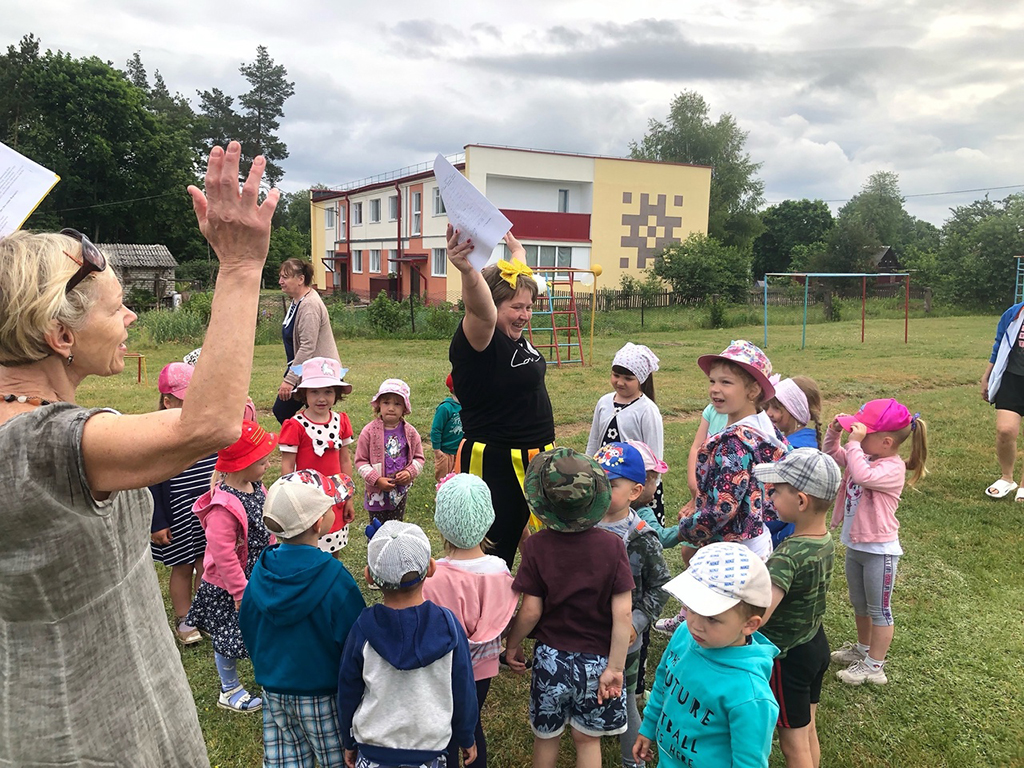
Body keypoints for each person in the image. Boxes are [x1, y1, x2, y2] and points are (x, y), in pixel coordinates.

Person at [0, 141, 277, 766]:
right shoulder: (45, 443)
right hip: (94, 735)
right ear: (61, 335)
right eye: (115, 305)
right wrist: (238, 268)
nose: (129, 317)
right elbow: (209, 424)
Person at [504, 447, 634, 768]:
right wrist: (615, 668)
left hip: (550, 661)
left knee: (546, 738)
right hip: (598, 663)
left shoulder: (535, 547)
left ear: (542, 501)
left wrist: (513, 644)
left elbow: (531, 611)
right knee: (587, 740)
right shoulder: (613, 546)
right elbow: (623, 615)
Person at [239, 469, 365, 768]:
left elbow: (248, 624)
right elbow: (356, 643)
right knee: (337, 761)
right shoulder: (336, 579)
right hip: (324, 695)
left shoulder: (259, 572)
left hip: (274, 692)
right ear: (318, 523)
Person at [447, 225, 556, 568]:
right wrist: (468, 270)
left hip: (534, 456)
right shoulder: (481, 337)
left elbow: (517, 283)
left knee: (544, 545)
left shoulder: (514, 334)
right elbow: (481, 307)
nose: (524, 315)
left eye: (529, 307)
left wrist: (518, 255)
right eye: (516, 307)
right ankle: (483, 612)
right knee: (494, 551)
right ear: (495, 305)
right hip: (496, 462)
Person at [338, 520, 478, 768]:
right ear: (432, 568)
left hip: (373, 753)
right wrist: (467, 736)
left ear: (370, 576)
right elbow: (463, 689)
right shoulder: (449, 626)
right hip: (432, 752)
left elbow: (348, 690)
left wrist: (349, 741)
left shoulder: (362, 629)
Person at [633, 542, 780, 768]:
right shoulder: (684, 634)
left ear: (750, 624)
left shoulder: (750, 696)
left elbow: (749, 763)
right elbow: (663, 681)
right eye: (691, 608)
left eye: (711, 618)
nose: (695, 625)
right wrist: (648, 726)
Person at [824, 399, 928, 686]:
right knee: (859, 602)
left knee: (879, 609)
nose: (854, 438)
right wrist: (835, 432)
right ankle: (863, 647)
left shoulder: (891, 467)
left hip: (879, 551)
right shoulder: (865, 455)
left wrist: (854, 445)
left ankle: (875, 666)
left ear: (884, 442)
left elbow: (861, 476)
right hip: (857, 546)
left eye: (862, 434)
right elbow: (832, 453)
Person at [422, 473, 519, 768]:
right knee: (472, 726)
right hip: (482, 668)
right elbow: (508, 615)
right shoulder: (501, 572)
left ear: (441, 522)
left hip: (442, 670)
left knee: (443, 729)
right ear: (488, 519)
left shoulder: (433, 577)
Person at [752, 449, 841, 768]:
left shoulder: (787, 556)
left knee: (793, 745)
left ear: (801, 501)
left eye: (776, 490)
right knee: (807, 729)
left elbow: (761, 615)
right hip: (815, 643)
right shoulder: (825, 540)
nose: (770, 495)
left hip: (787, 657)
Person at [187, 420, 278, 712]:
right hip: (229, 586)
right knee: (228, 637)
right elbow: (223, 554)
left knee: (260, 631)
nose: (266, 464)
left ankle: (268, 679)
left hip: (256, 576)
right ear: (242, 463)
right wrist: (241, 592)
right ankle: (229, 689)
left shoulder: (256, 487)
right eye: (261, 460)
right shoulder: (222, 506)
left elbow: (265, 527)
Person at [593, 442, 670, 768]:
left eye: (610, 486)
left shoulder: (641, 536)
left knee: (624, 698)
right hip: (587, 630)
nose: (600, 491)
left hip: (625, 639)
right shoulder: (584, 524)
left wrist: (636, 623)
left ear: (636, 490)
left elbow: (661, 586)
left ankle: (632, 761)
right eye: (596, 483)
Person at [677, 340, 787, 562]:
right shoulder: (764, 427)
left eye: (726, 382)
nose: (715, 389)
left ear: (753, 390)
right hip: (756, 536)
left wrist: (688, 528)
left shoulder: (733, 443)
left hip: (731, 550)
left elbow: (723, 507)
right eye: (712, 381)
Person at [149, 362, 217, 645]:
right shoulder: (159, 436)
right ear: (167, 401)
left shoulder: (205, 430)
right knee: (182, 565)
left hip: (206, 511)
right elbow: (152, 483)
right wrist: (158, 521)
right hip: (177, 515)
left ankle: (201, 614)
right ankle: (184, 618)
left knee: (205, 562)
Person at [279, 356, 355, 553]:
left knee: (333, 546)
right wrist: (289, 498)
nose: (321, 398)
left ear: (336, 394)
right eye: (314, 392)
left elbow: (345, 460)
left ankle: (330, 580)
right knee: (308, 547)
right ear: (304, 394)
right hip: (306, 497)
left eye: (328, 392)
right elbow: (287, 466)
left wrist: (348, 498)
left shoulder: (341, 421)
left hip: (334, 497)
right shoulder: (295, 426)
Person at [587, 343, 665, 522]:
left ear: (641, 379)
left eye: (628, 378)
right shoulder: (604, 402)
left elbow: (655, 455)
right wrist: (589, 470)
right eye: (616, 375)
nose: (620, 382)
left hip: (635, 485)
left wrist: (649, 487)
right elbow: (594, 442)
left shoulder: (647, 410)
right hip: (606, 481)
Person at [275, 257, 340, 425]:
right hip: (304, 369)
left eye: (285, 277)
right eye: (281, 276)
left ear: (300, 279)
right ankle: (307, 444)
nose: (280, 281)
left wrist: (289, 380)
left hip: (318, 372)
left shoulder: (309, 306)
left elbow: (307, 346)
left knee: (283, 410)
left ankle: (308, 444)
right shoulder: (297, 301)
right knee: (313, 414)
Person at [764, 375, 824, 546]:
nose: (769, 413)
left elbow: (782, 499)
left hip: (783, 533)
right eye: (767, 406)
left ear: (795, 410)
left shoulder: (795, 451)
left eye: (776, 408)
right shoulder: (804, 441)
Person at [355, 378, 425, 525]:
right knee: (376, 529)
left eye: (397, 404)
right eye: (386, 403)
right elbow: (361, 462)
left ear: (404, 408)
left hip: (399, 492)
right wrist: (377, 480)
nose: (391, 408)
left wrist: (409, 473)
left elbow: (419, 458)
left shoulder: (411, 433)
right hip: (376, 494)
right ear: (379, 405)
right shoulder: (368, 432)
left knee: (395, 527)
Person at [981, 299, 1024, 499]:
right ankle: (1007, 478)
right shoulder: (1014, 313)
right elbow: (999, 345)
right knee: (1005, 430)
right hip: (1012, 379)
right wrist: (987, 376)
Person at [431, 372, 464, 482]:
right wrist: (437, 450)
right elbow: (436, 429)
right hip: (446, 453)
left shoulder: (468, 406)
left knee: (459, 480)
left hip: (461, 452)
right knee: (444, 480)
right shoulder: (446, 408)